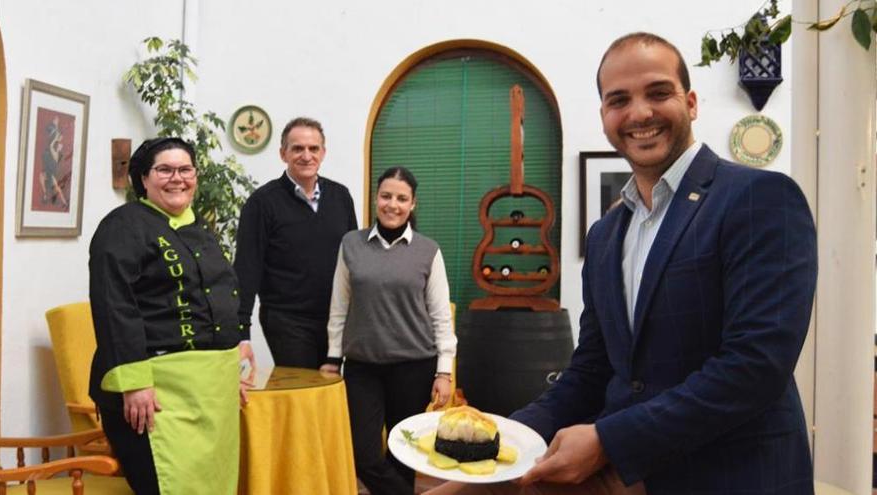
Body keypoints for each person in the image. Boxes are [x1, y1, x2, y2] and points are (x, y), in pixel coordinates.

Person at [427, 32, 817, 495]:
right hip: (631, 472)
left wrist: (608, 440)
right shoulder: (606, 235)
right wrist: (506, 435)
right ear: (604, 117)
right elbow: (593, 368)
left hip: (731, 473)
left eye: (657, 92)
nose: (639, 113)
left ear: (690, 102)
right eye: (619, 100)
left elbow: (755, 366)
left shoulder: (759, 198)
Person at [89, 137, 254, 495]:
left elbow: (224, 294)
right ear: (143, 179)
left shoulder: (201, 231)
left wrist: (237, 356)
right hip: (155, 389)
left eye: (185, 169)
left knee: (213, 484)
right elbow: (113, 303)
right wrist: (135, 382)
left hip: (211, 392)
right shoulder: (123, 226)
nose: (176, 178)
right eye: (164, 169)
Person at [320, 166, 457, 495]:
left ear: (413, 204)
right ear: (375, 199)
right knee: (362, 453)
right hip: (362, 367)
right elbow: (339, 306)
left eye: (401, 198)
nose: (392, 204)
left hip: (414, 366)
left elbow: (441, 316)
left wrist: (444, 371)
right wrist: (332, 357)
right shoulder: (351, 244)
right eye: (386, 196)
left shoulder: (428, 251)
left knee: (403, 452)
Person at [234, 117, 358, 369]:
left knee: (331, 392)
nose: (306, 155)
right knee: (304, 392)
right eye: (297, 148)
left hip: (335, 319)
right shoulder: (262, 203)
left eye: (313, 148)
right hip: (287, 320)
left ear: (323, 153)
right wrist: (241, 331)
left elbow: (354, 258)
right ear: (283, 154)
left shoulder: (340, 196)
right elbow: (247, 269)